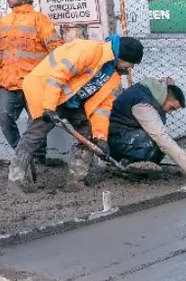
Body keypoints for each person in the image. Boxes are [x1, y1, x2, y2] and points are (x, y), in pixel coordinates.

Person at [8, 36, 144, 192]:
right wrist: (49, 107)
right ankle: (15, 181)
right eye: (130, 63)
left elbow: (102, 107)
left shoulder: (113, 76)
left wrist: (100, 138)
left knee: (88, 134)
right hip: (46, 92)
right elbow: (57, 76)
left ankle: (75, 182)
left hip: (72, 102)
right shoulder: (88, 50)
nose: (130, 67)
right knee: (34, 136)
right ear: (121, 57)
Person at [0, 0, 62, 159]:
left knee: (36, 121)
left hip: (33, 81)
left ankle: (38, 160)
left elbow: (55, 47)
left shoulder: (39, 19)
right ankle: (22, 154)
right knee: (3, 116)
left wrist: (55, 75)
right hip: (8, 81)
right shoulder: (4, 21)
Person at [109, 78, 186, 191]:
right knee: (152, 142)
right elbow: (161, 138)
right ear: (166, 97)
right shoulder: (144, 104)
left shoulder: (153, 91)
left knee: (158, 145)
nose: (169, 112)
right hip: (114, 139)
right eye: (171, 108)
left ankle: (139, 168)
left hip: (124, 134)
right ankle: (125, 167)